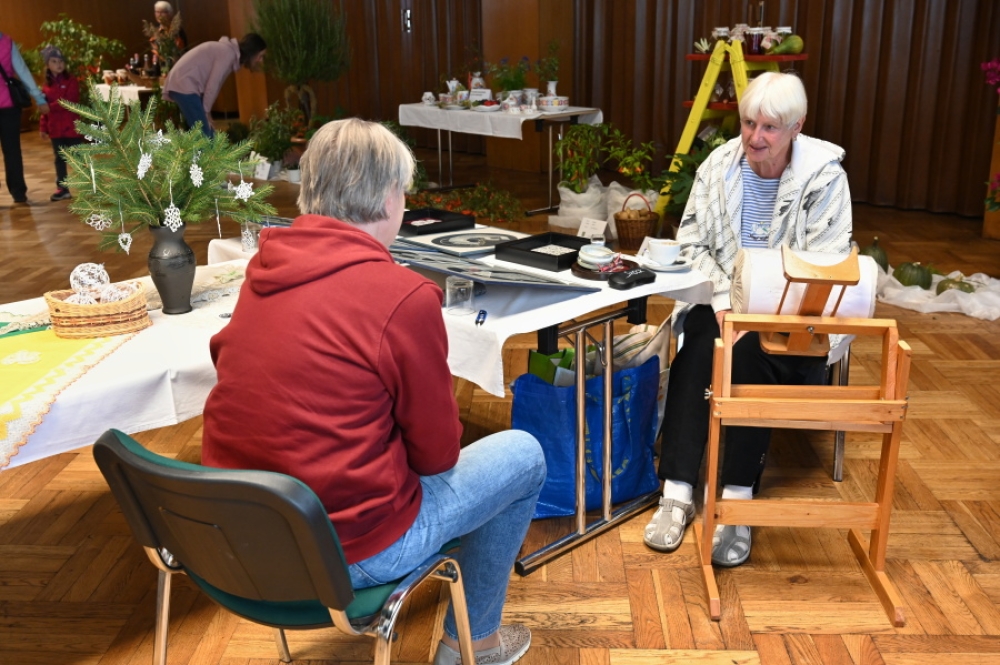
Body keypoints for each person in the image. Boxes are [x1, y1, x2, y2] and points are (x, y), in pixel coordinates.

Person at [201, 118, 546, 665]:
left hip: (241, 537)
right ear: (388, 196)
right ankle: (474, 645)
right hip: (349, 552)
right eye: (403, 192)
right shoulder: (401, 295)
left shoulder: (263, 270)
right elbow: (438, 457)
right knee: (524, 454)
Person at [643, 72, 853, 567]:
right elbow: (691, 244)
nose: (755, 137)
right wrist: (724, 298)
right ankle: (677, 491)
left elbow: (826, 263)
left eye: (770, 128)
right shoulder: (718, 166)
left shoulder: (825, 177)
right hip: (720, 300)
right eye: (748, 123)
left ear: (798, 127)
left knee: (748, 352)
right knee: (701, 340)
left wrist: (759, 308)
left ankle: (736, 499)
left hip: (792, 318)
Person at [162, 33, 266, 137]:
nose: (260, 60)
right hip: (184, 83)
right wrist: (206, 112)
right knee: (205, 135)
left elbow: (214, 86)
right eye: (260, 56)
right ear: (252, 51)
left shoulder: (228, 52)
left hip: (184, 83)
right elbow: (213, 86)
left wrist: (207, 113)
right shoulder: (228, 53)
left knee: (207, 133)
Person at [0, 31, 50, 204]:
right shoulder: (7, 42)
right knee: (12, 150)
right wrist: (38, 98)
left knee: (12, 150)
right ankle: (18, 192)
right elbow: (22, 71)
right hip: (9, 104)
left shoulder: (7, 42)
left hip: (8, 105)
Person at [38, 45, 84, 202]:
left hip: (71, 128)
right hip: (55, 130)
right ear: (47, 64)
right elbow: (43, 110)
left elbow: (68, 101)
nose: (59, 64)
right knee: (59, 159)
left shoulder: (71, 81)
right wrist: (43, 127)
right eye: (54, 61)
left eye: (61, 61)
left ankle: (89, 185)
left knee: (79, 158)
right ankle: (63, 189)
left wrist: (49, 107)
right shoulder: (46, 86)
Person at [146, 1, 187, 69]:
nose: (159, 15)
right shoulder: (155, 30)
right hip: (159, 67)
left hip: (176, 66)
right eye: (157, 12)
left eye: (163, 12)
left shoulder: (177, 30)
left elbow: (180, 51)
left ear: (170, 13)